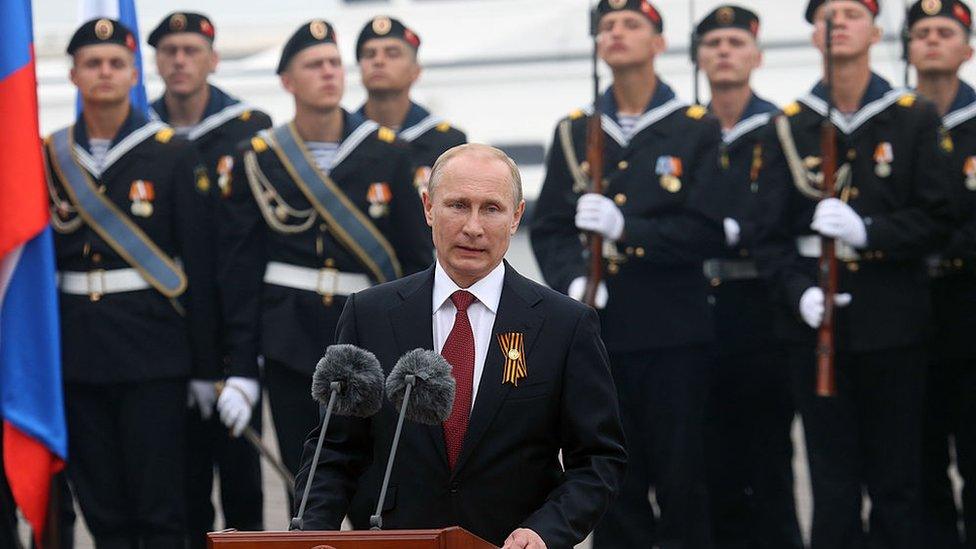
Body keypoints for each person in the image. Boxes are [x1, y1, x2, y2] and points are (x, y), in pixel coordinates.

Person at [293, 143, 626, 549]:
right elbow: (334, 449)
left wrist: (546, 532)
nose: (473, 226)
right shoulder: (371, 314)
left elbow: (597, 461)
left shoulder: (565, 325)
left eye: (491, 208)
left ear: (517, 216)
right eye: (457, 205)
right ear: (429, 207)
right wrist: (313, 535)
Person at [753, 1, 953, 547]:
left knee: (898, 483)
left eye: (851, 12)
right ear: (814, 35)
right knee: (832, 482)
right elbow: (766, 236)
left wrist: (871, 232)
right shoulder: (790, 126)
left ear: (876, 30)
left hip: (894, 325)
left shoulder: (911, 118)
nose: (836, 22)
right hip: (816, 332)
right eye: (825, 15)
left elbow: (941, 218)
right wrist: (799, 294)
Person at [531, 1, 725, 547]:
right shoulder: (575, 131)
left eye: (631, 24)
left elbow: (707, 230)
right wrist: (573, 281)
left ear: (659, 43)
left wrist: (627, 229)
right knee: (610, 482)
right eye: (607, 26)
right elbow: (548, 227)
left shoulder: (695, 128)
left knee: (684, 480)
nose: (615, 32)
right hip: (602, 336)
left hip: (673, 332)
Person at [217, 19, 433, 493]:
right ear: (288, 82)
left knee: (377, 483)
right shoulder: (261, 157)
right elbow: (240, 271)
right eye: (314, 65)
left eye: (335, 63)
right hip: (288, 338)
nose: (329, 73)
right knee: (308, 481)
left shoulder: (389, 153)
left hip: (371, 339)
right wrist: (239, 368)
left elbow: (418, 260)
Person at [45, 18, 217, 548]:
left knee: (159, 508)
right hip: (76, 354)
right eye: (93, 64)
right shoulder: (49, 156)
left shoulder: (171, 153)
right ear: (73, 74)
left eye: (115, 64)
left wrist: (207, 368)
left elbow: (201, 266)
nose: (104, 73)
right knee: (103, 508)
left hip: (153, 354)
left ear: (134, 74)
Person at [146, 11, 273, 545]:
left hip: (238, 319)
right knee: (181, 482)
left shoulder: (249, 129)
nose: (179, 60)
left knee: (243, 482)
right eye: (169, 50)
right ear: (154, 60)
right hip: (168, 326)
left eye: (191, 50)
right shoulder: (143, 129)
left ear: (213, 59)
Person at [693, 6, 803, 549]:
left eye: (736, 42)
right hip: (696, 308)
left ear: (757, 56)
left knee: (767, 458)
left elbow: (781, 216)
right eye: (713, 43)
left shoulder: (780, 129)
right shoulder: (688, 131)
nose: (723, 52)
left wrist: (725, 227)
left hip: (760, 307)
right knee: (708, 459)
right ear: (697, 57)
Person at [906, 1, 976, 546]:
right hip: (909, 314)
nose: (932, 40)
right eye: (922, 32)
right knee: (917, 460)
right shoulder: (894, 122)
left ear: (967, 49)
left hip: (970, 310)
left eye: (944, 31)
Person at [355, 16, 466, 192]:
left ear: (416, 71)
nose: (378, 61)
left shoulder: (447, 143)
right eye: (369, 54)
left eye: (392, 54)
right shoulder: (345, 137)